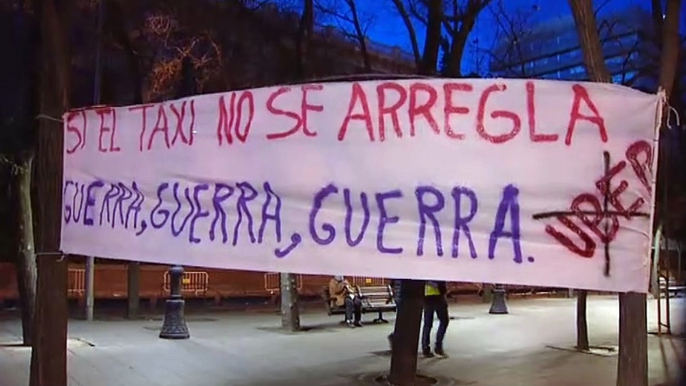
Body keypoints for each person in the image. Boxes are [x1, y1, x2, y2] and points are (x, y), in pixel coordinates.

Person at [421, 280, 449, 358]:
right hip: (437, 294)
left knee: (428, 323)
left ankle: (425, 347)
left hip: (426, 294)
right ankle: (438, 346)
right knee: (444, 321)